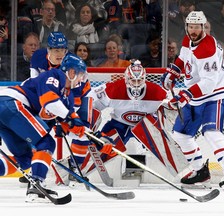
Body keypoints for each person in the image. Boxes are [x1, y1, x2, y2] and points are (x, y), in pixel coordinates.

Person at [0, 54, 114, 203]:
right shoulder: (55, 76)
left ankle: (35, 185)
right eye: (80, 75)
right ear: (71, 72)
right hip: (11, 103)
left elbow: (74, 128)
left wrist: (97, 140)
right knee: (46, 143)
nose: (82, 79)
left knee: (25, 159)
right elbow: (50, 102)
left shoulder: (68, 98)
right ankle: (37, 184)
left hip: (8, 112)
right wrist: (71, 118)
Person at [161, 11, 224, 190]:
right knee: (180, 134)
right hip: (198, 94)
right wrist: (173, 71)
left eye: (197, 27)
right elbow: (183, 58)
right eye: (191, 26)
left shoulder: (208, 49)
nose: (194, 30)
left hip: (215, 93)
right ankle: (201, 171)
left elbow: (208, 83)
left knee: (210, 131)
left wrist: (185, 94)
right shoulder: (187, 39)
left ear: (203, 27)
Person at [29, 31, 95, 186]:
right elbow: (35, 85)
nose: (60, 54)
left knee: (82, 127)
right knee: (37, 131)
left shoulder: (71, 64)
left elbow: (74, 99)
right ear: (48, 50)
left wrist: (65, 119)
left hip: (79, 96)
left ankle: (74, 165)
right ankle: (33, 169)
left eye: (63, 50)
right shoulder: (38, 57)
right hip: (49, 97)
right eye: (56, 50)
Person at [91, 59, 167, 146]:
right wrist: (91, 131)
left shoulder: (157, 92)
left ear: (145, 78)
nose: (136, 84)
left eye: (140, 80)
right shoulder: (115, 89)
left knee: (160, 151)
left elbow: (168, 112)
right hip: (118, 125)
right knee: (101, 149)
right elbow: (92, 105)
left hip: (146, 128)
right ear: (126, 79)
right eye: (133, 80)